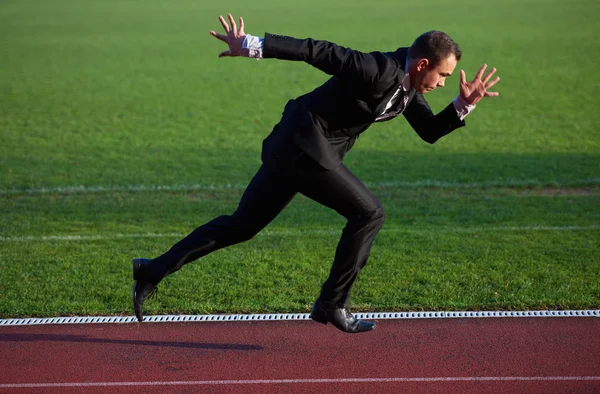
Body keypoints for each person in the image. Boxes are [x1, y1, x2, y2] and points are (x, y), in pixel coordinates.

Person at [132, 14, 500, 333]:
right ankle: (331, 303)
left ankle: (152, 270)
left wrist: (463, 104)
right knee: (369, 213)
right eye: (444, 75)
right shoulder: (377, 69)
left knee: (242, 225)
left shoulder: (407, 91)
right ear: (422, 64)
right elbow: (317, 50)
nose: (443, 83)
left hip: (292, 149)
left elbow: (429, 132)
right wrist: (252, 45)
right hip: (305, 148)